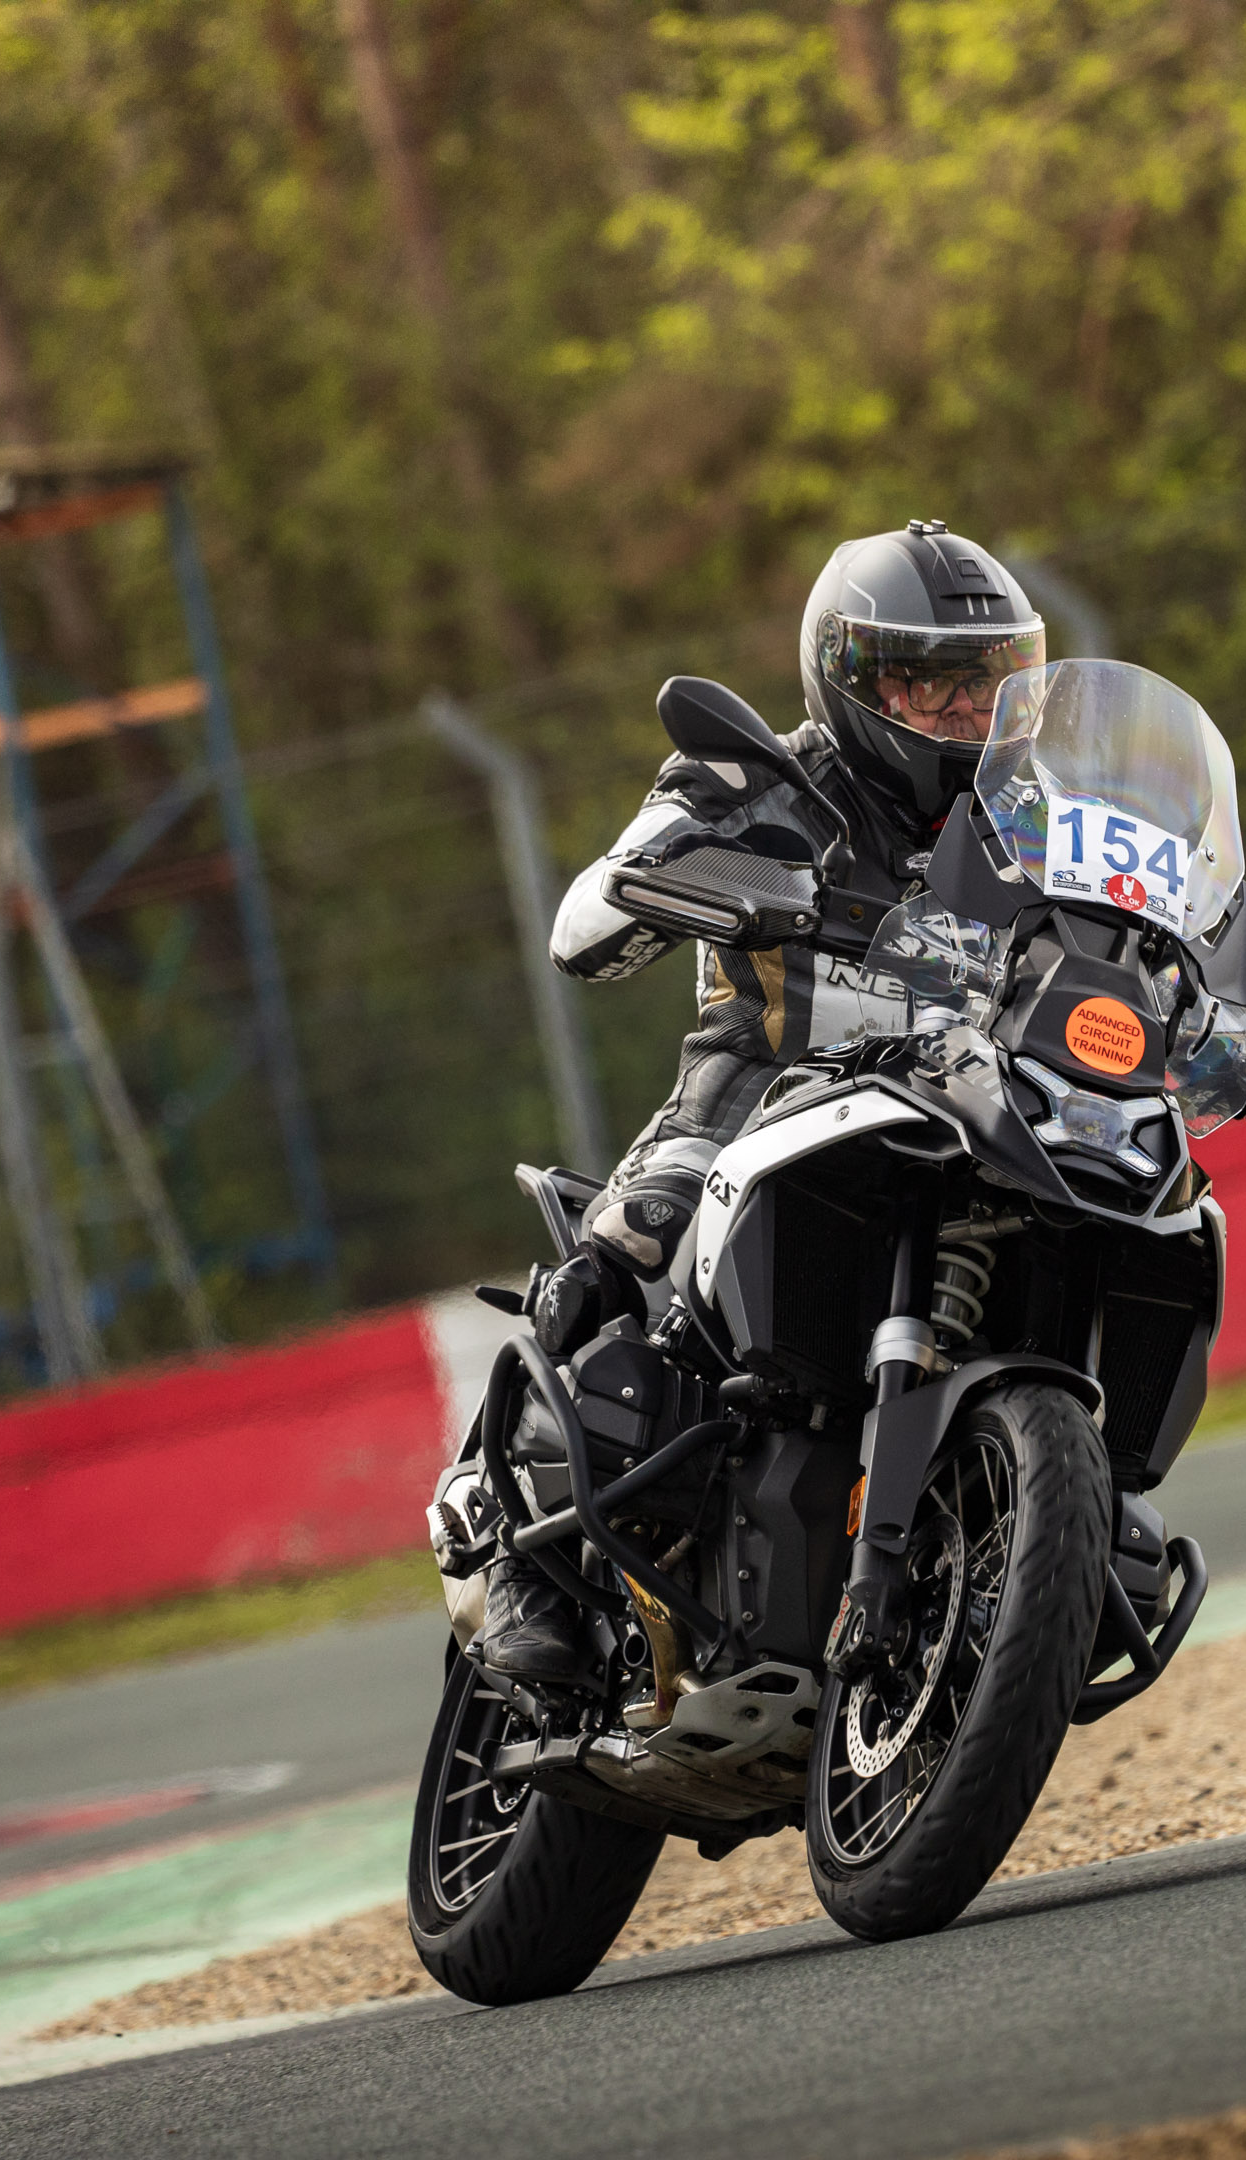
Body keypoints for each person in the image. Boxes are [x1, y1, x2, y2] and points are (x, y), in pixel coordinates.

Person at [467, 521, 1048, 1684]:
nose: (963, 712)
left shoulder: (1039, 820)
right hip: (754, 1101)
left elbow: (1152, 926)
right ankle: (521, 1561)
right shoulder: (751, 780)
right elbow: (583, 927)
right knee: (628, 1253)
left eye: (988, 682)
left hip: (976, 1106)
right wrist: (684, 885)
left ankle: (1036, 1520)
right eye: (927, 682)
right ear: (848, 678)